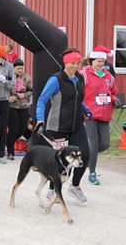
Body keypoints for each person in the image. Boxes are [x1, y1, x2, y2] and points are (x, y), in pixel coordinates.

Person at [36, 47, 91, 203]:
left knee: (85, 155)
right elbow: (42, 100)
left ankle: (74, 186)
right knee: (60, 160)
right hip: (58, 125)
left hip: (77, 125)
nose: (75, 66)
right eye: (72, 63)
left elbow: (77, 100)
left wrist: (85, 109)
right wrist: (40, 119)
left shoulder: (80, 78)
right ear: (66, 63)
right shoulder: (56, 79)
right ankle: (53, 188)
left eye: (77, 63)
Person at [79, 46, 121, 185]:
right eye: (99, 61)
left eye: (103, 62)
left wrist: (115, 101)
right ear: (91, 61)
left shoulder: (109, 76)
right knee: (94, 142)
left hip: (105, 113)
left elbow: (112, 93)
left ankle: (87, 158)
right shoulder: (84, 74)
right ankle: (92, 174)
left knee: (104, 144)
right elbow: (77, 91)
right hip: (90, 113)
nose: (101, 64)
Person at [6, 59, 32, 160]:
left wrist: (24, 95)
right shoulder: (9, 77)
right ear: (14, 68)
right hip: (11, 106)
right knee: (13, 128)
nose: (20, 70)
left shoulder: (26, 77)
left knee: (22, 128)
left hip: (23, 105)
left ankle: (8, 142)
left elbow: (30, 90)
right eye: (18, 68)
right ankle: (10, 152)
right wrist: (8, 98)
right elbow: (3, 90)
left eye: (22, 68)